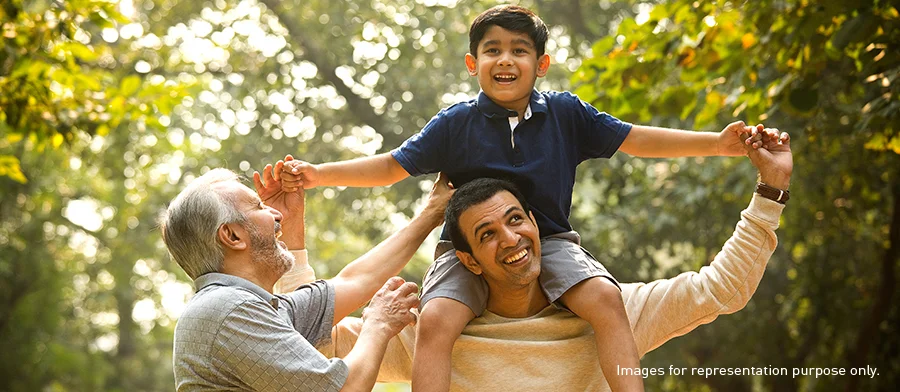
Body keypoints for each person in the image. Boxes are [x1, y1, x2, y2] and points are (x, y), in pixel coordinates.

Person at [280, 5, 767, 391]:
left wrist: (716, 145)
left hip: (550, 239)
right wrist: (320, 174)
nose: (506, 60)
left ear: (541, 64)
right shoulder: (455, 124)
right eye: (492, 51)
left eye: (519, 50)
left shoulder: (566, 114)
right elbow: (390, 168)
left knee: (604, 298)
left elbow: (636, 139)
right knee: (435, 320)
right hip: (465, 250)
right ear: (473, 65)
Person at [316, 128, 792, 391]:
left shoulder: (613, 314)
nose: (511, 238)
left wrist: (770, 191)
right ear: (470, 261)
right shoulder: (428, 332)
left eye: (517, 220)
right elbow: (308, 346)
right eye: (487, 234)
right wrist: (294, 228)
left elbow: (721, 289)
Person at [160, 156, 452, 391]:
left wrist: (431, 214)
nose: (278, 215)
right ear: (233, 236)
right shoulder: (228, 310)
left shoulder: (254, 307)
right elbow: (343, 389)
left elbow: (355, 281)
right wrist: (377, 324)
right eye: (258, 207)